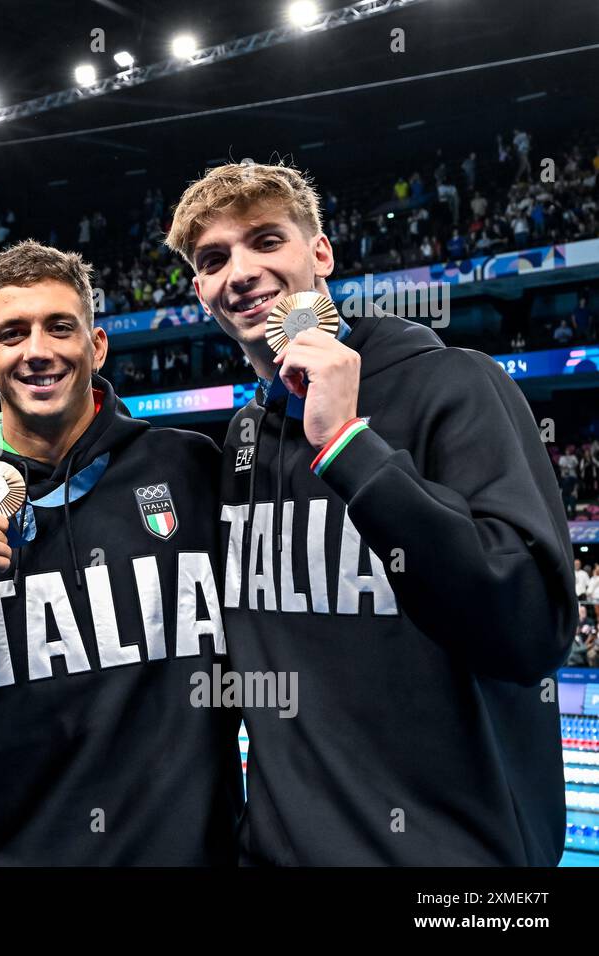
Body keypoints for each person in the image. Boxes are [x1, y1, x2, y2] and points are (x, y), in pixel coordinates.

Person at [166, 161, 575, 865]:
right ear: (201, 291)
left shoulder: (456, 384)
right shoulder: (241, 441)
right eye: (213, 259)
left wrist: (350, 446)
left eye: (266, 241)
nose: (240, 272)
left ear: (320, 252)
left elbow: (532, 629)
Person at [0, 240, 241, 865]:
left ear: (96, 346)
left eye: (59, 327)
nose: (37, 351)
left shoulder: (191, 467)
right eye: (13, 334)